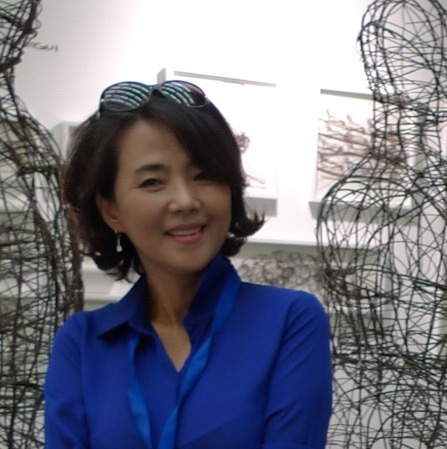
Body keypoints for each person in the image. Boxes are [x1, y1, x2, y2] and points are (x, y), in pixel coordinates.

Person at [44, 80, 332, 449]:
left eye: (204, 176)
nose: (185, 201)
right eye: (153, 181)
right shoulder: (83, 343)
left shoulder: (289, 321)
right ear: (111, 209)